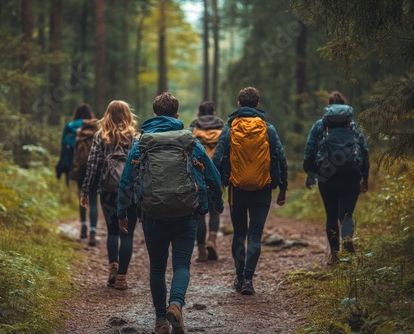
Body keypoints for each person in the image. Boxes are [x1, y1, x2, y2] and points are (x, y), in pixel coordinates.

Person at [117, 92, 224, 334]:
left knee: (156, 267)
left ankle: (160, 321)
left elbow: (126, 181)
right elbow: (213, 176)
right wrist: (217, 203)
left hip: (153, 214)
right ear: (176, 115)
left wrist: (122, 212)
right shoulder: (189, 141)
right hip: (186, 214)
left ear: (154, 114)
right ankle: (175, 305)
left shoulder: (142, 143)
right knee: (182, 265)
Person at [213, 86, 288, 295]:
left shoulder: (230, 128)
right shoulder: (267, 128)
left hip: (237, 190)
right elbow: (280, 158)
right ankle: (248, 280)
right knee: (255, 234)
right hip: (263, 190)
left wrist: (217, 188)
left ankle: (239, 278)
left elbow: (217, 159)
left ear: (238, 104)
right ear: (258, 104)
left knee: (239, 234)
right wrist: (283, 187)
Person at [303, 91, 369, 265]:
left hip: (327, 175)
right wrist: (365, 177)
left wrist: (310, 175)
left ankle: (335, 256)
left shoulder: (320, 125)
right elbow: (364, 151)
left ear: (329, 106)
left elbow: (309, 151)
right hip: (351, 174)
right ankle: (348, 248)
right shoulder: (352, 125)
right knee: (346, 215)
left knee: (331, 215)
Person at [80, 100, 139, 290]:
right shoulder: (135, 138)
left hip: (108, 190)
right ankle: (122, 277)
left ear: (107, 115)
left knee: (113, 231)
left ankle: (113, 267)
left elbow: (93, 165)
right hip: (130, 193)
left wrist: (86, 191)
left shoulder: (100, 137)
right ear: (128, 115)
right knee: (127, 235)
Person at [56, 103, 99, 245]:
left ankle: (84, 227)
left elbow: (64, 148)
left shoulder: (69, 126)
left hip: (78, 166)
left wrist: (61, 166)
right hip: (94, 167)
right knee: (93, 199)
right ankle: (93, 230)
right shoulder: (96, 126)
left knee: (82, 196)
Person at [188, 101, 225, 262]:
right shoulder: (223, 128)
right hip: (216, 173)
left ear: (198, 113)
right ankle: (212, 240)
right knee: (214, 210)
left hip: (198, 175)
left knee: (200, 214)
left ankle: (202, 251)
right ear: (214, 113)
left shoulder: (192, 129)